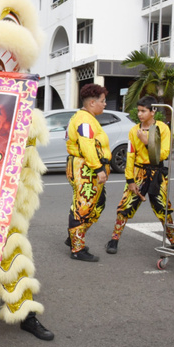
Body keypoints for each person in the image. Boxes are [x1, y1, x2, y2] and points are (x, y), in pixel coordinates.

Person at [106, 96, 174, 253]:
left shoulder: (162, 128)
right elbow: (130, 156)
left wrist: (147, 142)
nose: (139, 114)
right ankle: (114, 239)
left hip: (157, 173)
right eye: (138, 111)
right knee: (125, 206)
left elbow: (164, 154)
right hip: (138, 172)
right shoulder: (134, 131)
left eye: (143, 111)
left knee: (163, 209)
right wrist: (130, 180)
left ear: (153, 111)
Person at [66, 83, 110, 262]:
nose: (105, 104)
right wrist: (98, 168)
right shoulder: (84, 120)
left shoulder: (88, 118)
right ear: (92, 102)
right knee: (83, 207)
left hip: (87, 167)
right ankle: (77, 249)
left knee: (97, 204)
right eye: (103, 101)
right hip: (85, 168)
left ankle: (74, 238)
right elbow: (86, 145)